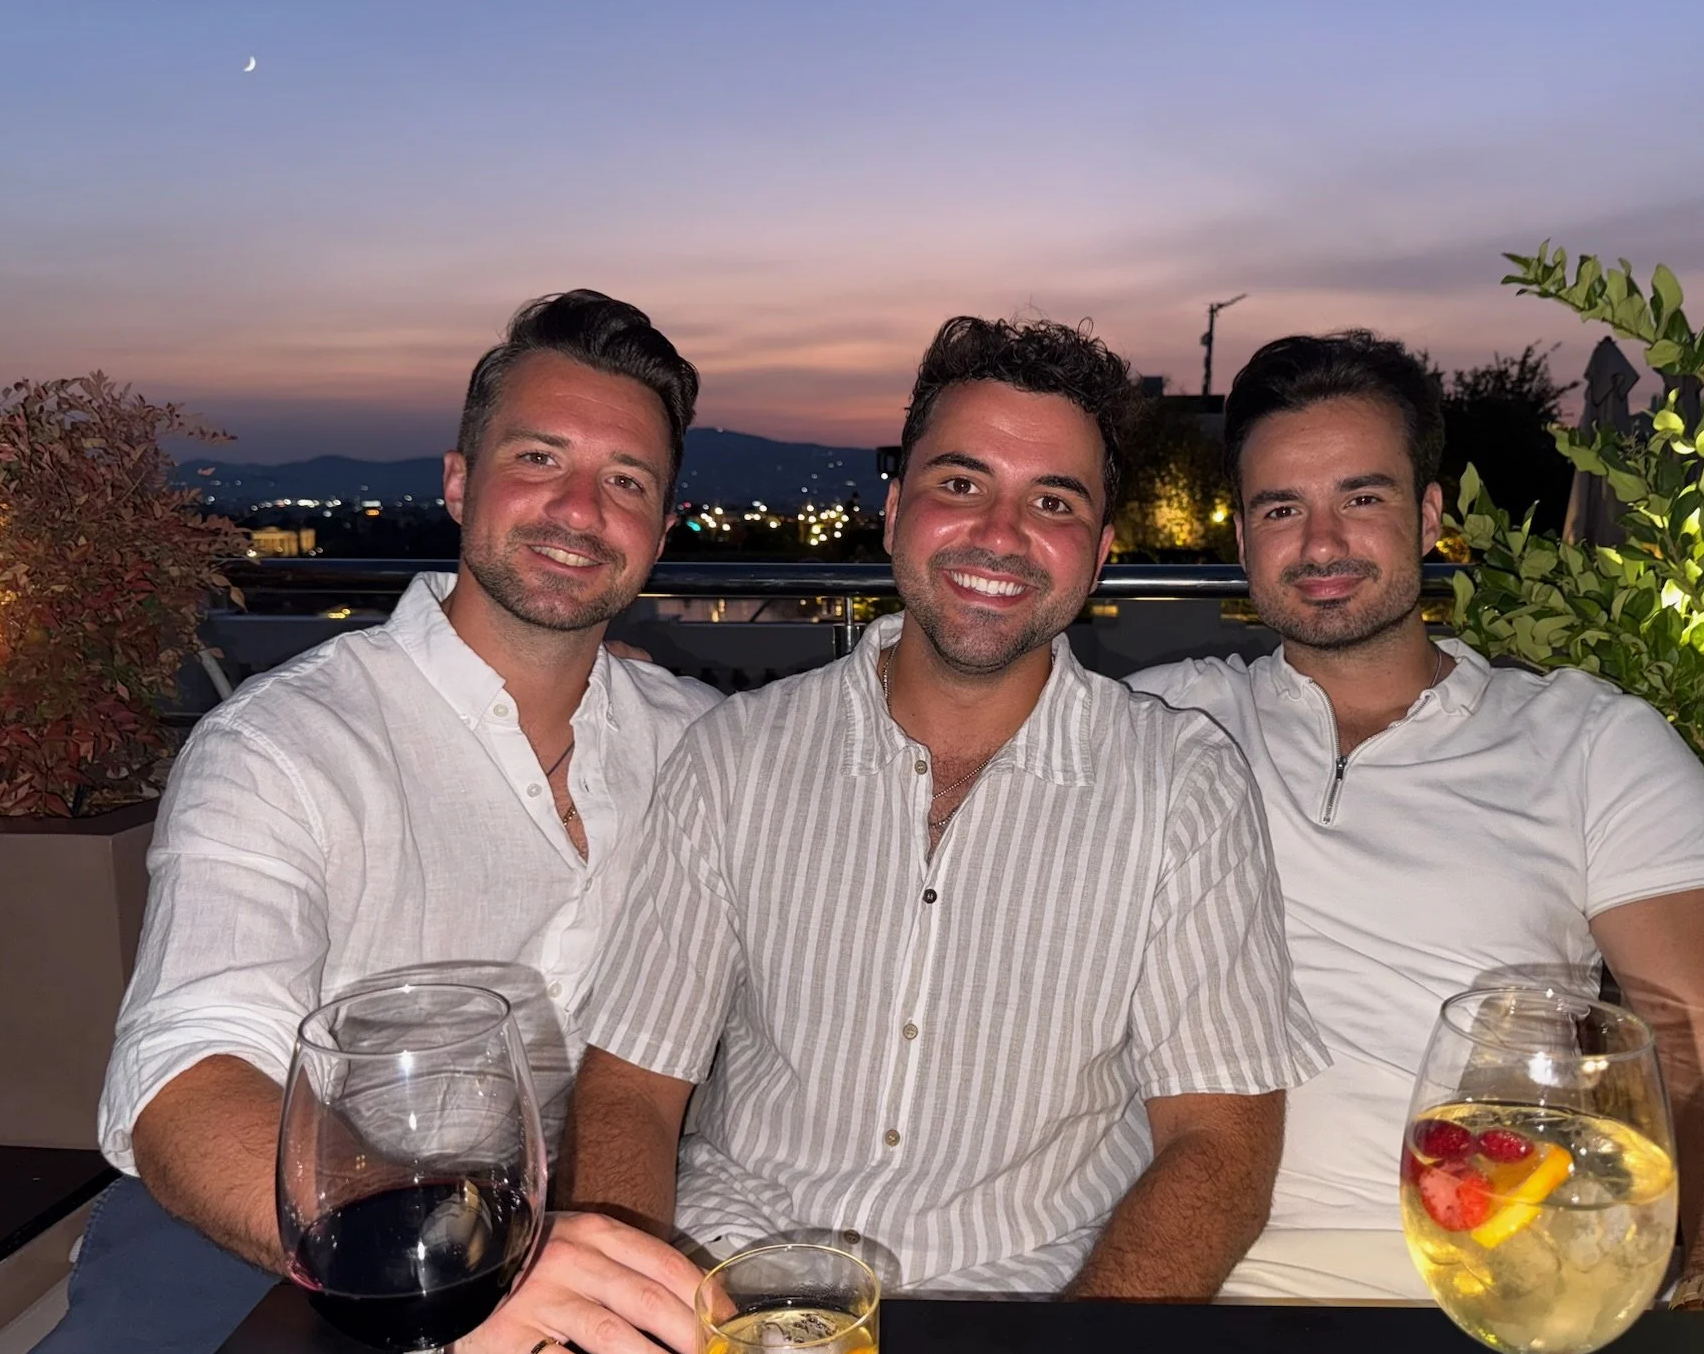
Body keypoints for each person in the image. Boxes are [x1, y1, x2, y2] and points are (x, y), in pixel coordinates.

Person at [0, 291, 722, 1354]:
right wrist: (450, 1255)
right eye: (537, 459)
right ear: (458, 481)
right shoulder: (284, 745)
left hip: (576, 1236)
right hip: (265, 1230)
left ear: (659, 529)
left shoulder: (699, 744)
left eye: (625, 480)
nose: (577, 508)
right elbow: (184, 1076)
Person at [560, 316, 1327, 1299]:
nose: (999, 534)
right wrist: (637, 1315)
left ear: (1097, 554)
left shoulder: (1182, 786)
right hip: (737, 1287)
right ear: (893, 512)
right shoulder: (734, 757)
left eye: (1051, 501)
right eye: (960, 484)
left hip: (1036, 1310)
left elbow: (1219, 1150)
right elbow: (629, 1088)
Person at [1129, 330, 1704, 1307]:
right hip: (1172, 1290)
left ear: (1427, 515)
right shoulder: (1156, 722)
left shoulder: (1589, 743)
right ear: (1241, 539)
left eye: (1360, 499)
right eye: (1281, 509)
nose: (1320, 544)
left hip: (1500, 1293)